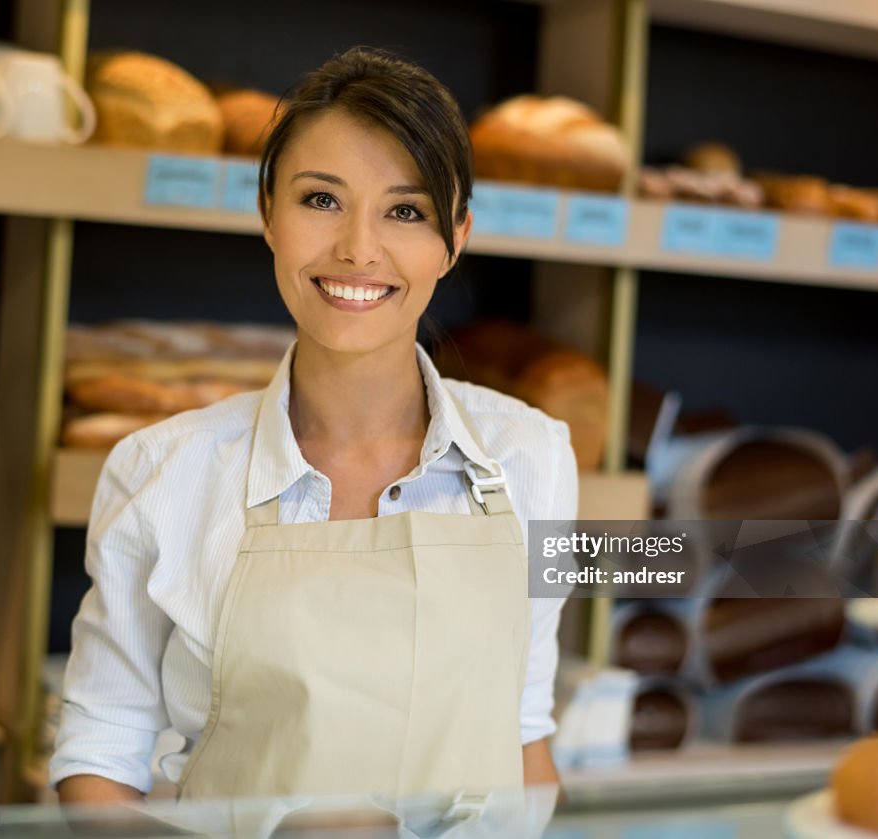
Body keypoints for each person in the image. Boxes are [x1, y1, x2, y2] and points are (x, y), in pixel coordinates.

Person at [51, 46, 578, 808]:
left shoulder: (534, 457)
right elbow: (101, 749)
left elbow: (525, 733)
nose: (359, 249)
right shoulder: (160, 472)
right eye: (321, 200)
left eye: (406, 210)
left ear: (455, 237)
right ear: (268, 212)